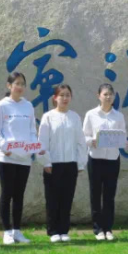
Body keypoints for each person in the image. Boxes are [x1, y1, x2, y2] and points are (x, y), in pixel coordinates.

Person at [0, 72, 39, 245]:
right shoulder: (1, 106)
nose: (20, 87)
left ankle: (17, 231)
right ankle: (7, 232)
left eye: (22, 84)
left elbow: (32, 131)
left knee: (19, 195)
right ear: (9, 86)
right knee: (7, 193)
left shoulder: (28, 106)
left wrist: (32, 147)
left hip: (24, 158)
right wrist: (6, 148)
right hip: (6, 158)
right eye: (16, 83)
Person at [39, 84, 86, 242]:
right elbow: (42, 142)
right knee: (53, 199)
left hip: (70, 164)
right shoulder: (48, 117)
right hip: (53, 164)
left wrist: (80, 163)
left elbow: (81, 142)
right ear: (55, 98)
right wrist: (46, 162)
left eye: (67, 95)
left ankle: (64, 230)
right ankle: (53, 231)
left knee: (67, 198)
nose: (65, 98)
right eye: (62, 95)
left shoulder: (75, 117)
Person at [83, 84, 127, 241]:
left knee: (109, 195)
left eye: (111, 94)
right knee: (95, 194)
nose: (108, 97)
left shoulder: (118, 116)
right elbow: (84, 136)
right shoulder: (91, 115)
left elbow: (122, 135)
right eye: (105, 94)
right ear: (99, 96)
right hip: (95, 158)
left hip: (113, 159)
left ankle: (108, 228)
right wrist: (92, 141)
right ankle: (98, 229)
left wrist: (122, 141)